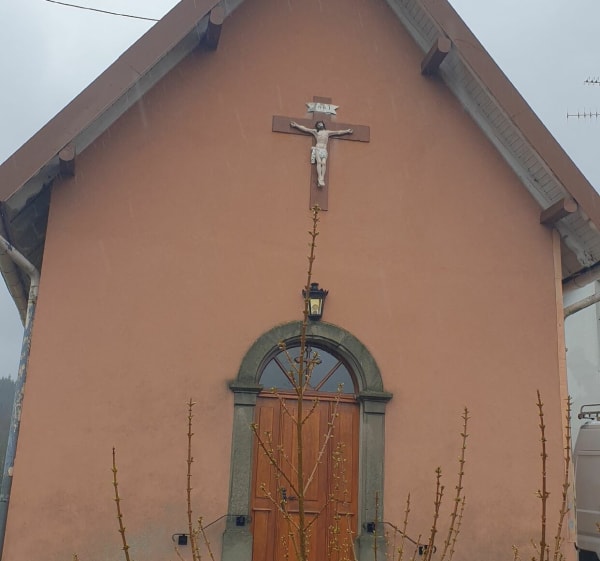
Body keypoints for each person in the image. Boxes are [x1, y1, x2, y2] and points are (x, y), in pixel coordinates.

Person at [290, 120, 353, 187]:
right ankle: (319, 177)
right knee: (319, 162)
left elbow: (338, 132)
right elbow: (306, 129)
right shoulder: (315, 132)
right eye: (318, 124)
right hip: (318, 149)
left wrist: (347, 131)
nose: (320, 125)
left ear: (323, 125)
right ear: (317, 126)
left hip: (324, 150)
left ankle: (322, 177)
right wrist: (296, 125)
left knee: (324, 163)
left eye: (321, 124)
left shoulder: (327, 132)